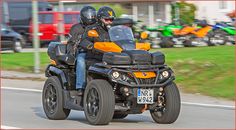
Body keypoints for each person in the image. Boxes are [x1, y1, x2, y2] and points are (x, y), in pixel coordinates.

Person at [69, 6, 97, 95]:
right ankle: (80, 87)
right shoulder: (76, 28)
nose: (90, 17)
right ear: (82, 16)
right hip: (81, 51)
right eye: (88, 15)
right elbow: (71, 42)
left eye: (92, 15)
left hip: (95, 52)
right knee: (81, 60)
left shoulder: (97, 27)